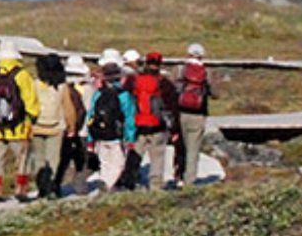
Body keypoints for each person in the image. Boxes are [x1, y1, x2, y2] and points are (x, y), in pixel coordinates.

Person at [0, 42, 39, 202]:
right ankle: (21, 188)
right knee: (22, 158)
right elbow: (30, 99)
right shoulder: (22, 75)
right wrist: (32, 117)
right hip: (17, 126)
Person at [30, 53, 84, 198]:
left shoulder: (34, 84)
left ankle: (41, 186)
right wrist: (72, 127)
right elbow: (69, 109)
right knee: (53, 159)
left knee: (39, 159)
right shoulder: (62, 86)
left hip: (36, 126)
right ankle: (52, 187)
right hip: (55, 128)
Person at [84, 51, 137, 192]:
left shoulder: (98, 94)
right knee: (118, 164)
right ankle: (107, 185)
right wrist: (130, 138)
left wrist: (90, 137)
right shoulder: (124, 95)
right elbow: (129, 117)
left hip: (100, 134)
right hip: (116, 136)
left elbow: (91, 115)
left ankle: (104, 182)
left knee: (105, 162)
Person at [131, 51, 180, 189]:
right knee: (157, 157)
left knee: (135, 154)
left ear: (146, 62)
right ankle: (155, 185)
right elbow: (173, 107)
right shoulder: (164, 83)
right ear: (160, 64)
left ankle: (131, 181)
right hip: (158, 126)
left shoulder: (135, 81)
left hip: (138, 125)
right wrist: (174, 129)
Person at [174, 43, 217, 187]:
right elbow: (215, 94)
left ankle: (178, 176)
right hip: (198, 114)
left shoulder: (180, 69)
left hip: (180, 112)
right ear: (202, 55)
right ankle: (189, 180)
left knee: (180, 145)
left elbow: (173, 90)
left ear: (188, 54)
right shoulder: (206, 72)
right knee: (193, 148)